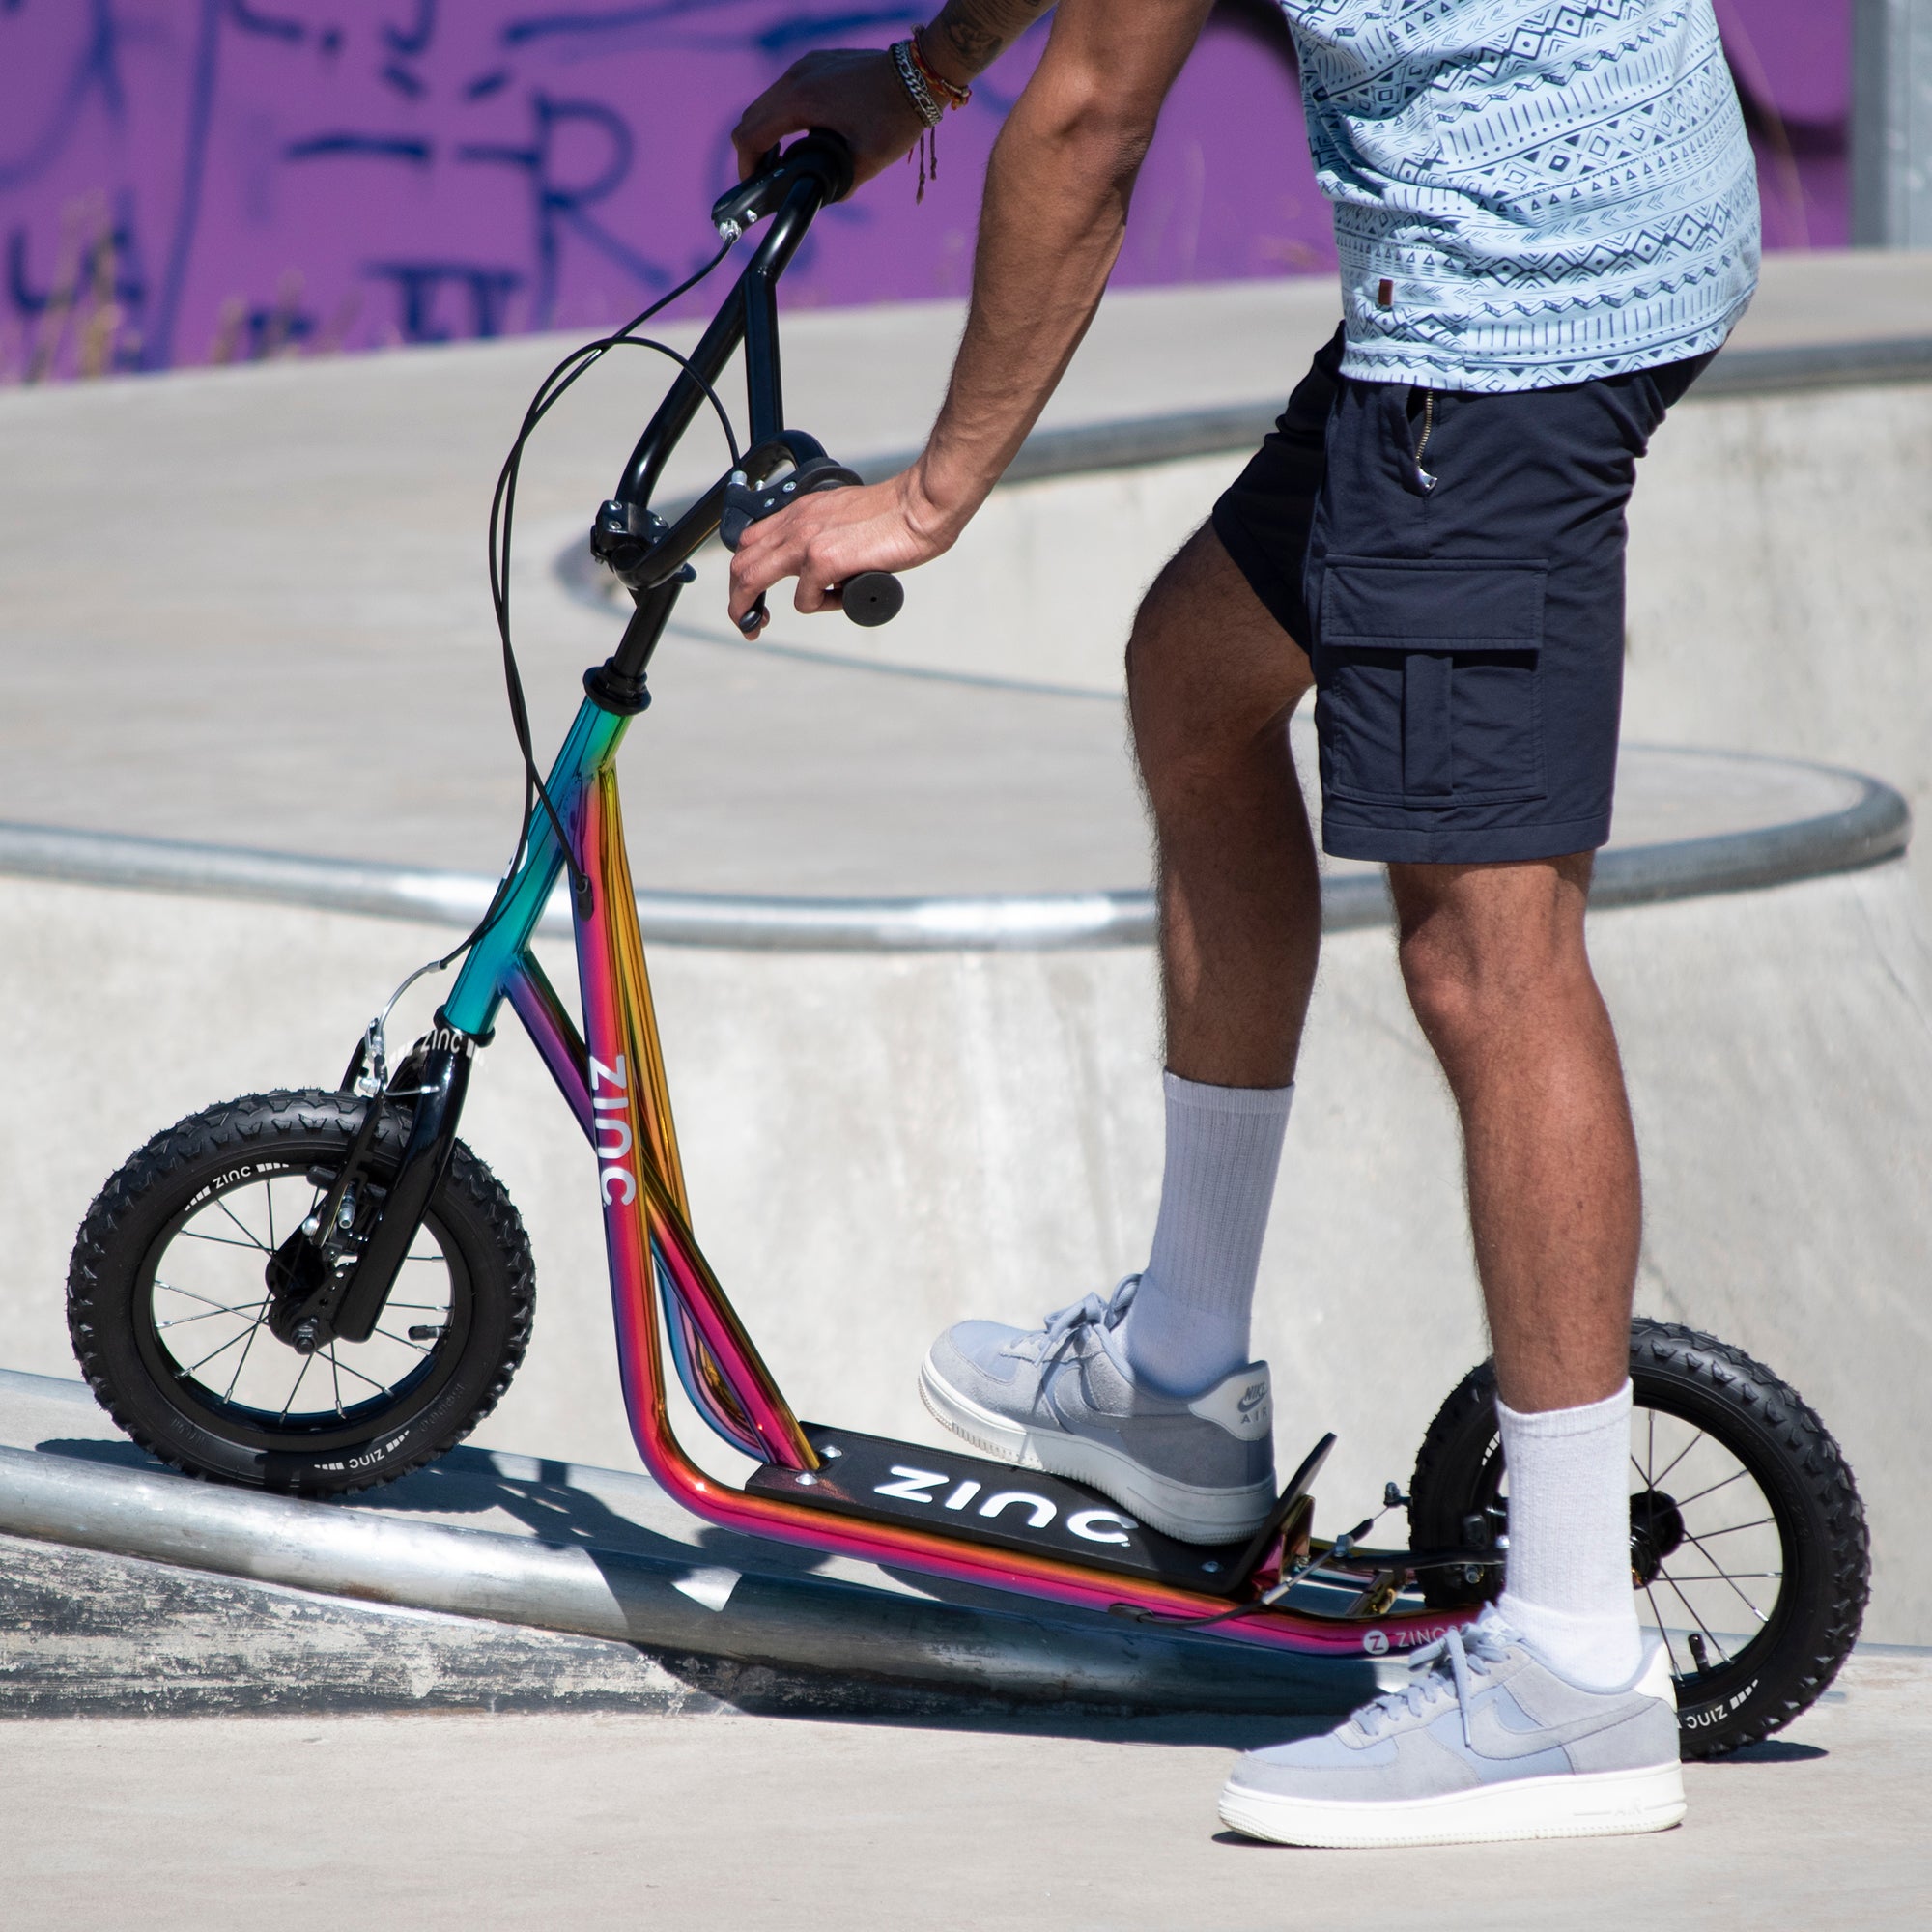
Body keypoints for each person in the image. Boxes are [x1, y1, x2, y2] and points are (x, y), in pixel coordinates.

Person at [728, 0, 1758, 1849]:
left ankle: (1572, 1669)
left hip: (1511, 315)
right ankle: (1182, 1377)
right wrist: (915, 78)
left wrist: (930, 493)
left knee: (1484, 953)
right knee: (1196, 674)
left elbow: (1092, 124)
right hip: (1535, 245)